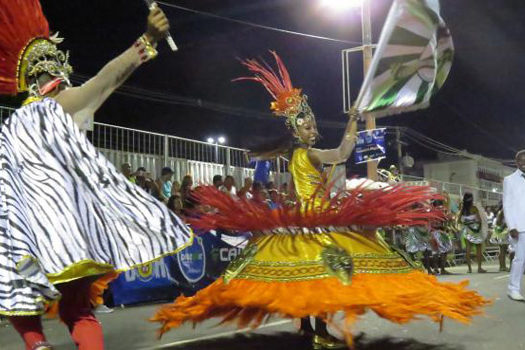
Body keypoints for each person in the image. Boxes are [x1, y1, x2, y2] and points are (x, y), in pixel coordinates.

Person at [152, 52, 488, 348]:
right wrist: (353, 122)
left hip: (307, 219)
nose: (313, 130)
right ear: (297, 132)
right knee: (325, 275)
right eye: (307, 126)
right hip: (317, 221)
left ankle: (311, 329)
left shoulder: (296, 155)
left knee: (312, 278)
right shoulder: (309, 155)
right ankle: (317, 330)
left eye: (312, 126)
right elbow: (342, 153)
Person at [0, 2, 193, 349]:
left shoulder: (11, 128)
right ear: (49, 77)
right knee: (78, 311)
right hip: (69, 237)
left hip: (25, 239)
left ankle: (37, 345)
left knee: (17, 301)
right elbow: (105, 79)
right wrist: (147, 39)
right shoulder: (61, 106)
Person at [503, 150, 525, 301]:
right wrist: (511, 226)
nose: (523, 163)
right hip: (520, 226)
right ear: (516, 162)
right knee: (520, 259)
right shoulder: (509, 180)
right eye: (520, 160)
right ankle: (513, 289)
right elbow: (507, 205)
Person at [458, 193, 488, 273]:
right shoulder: (474, 208)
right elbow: (479, 220)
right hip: (476, 230)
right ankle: (479, 268)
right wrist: (474, 222)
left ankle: (469, 269)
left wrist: (467, 222)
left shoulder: (462, 209)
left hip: (467, 230)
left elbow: (459, 221)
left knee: (468, 250)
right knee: (478, 249)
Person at [490, 202, 510, 272]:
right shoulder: (503, 211)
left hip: (500, 231)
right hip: (501, 232)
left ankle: (502, 266)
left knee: (502, 250)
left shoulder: (502, 211)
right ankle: (502, 266)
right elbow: (498, 222)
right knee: (502, 250)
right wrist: (505, 224)